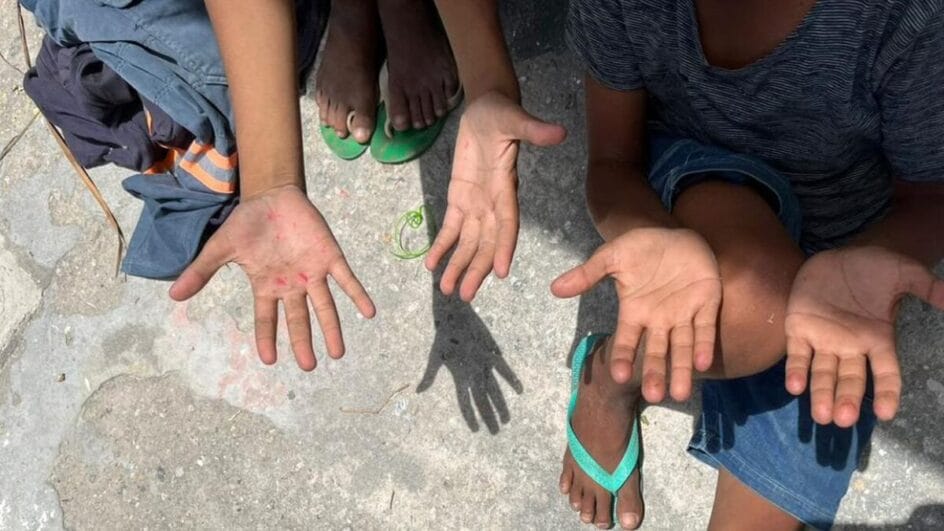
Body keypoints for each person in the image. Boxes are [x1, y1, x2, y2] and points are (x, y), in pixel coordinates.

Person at [434, 0, 944, 529]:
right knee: (754, 307)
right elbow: (613, 164)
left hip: (841, 223)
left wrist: (876, 255)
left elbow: (929, 195)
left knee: (805, 428)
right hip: (700, 175)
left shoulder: (910, 18)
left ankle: (643, 354)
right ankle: (612, 376)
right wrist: (653, 232)